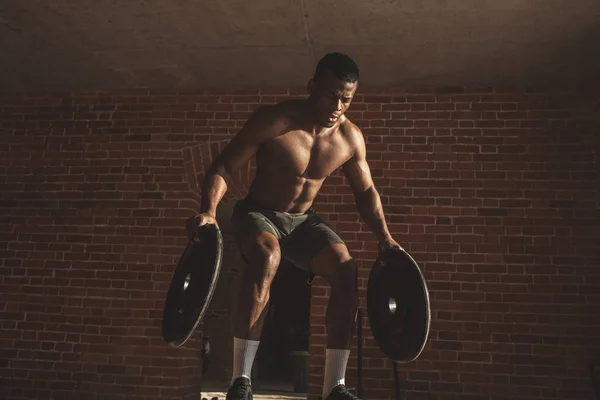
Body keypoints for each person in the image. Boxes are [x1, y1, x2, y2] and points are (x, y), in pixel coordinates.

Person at [186, 52, 402, 400]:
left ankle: (336, 387)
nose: (337, 105)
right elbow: (224, 167)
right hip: (257, 212)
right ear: (311, 87)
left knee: (346, 271)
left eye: (346, 98)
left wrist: (385, 238)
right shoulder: (276, 121)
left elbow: (366, 192)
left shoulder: (350, 139)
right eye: (330, 94)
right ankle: (240, 381)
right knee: (267, 257)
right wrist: (209, 211)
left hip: (304, 221)